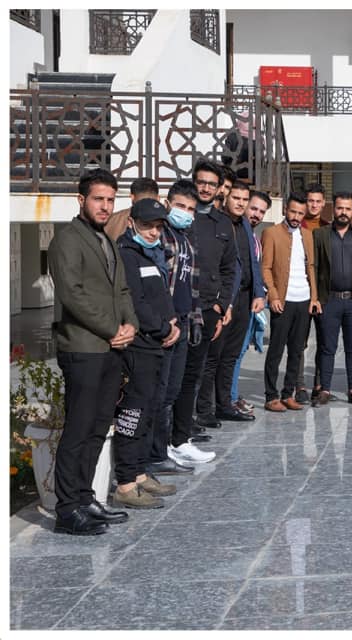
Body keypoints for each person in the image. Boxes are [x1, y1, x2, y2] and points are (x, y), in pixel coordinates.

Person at [48, 169, 138, 535]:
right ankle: (67, 509)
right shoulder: (67, 240)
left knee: (99, 426)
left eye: (110, 200)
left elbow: (122, 291)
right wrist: (111, 329)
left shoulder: (106, 240)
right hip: (84, 347)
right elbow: (72, 294)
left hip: (111, 348)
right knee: (79, 428)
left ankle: (85, 498)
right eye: (98, 199)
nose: (105, 206)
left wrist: (130, 325)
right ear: (81, 199)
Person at [112, 198, 180, 509]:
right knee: (133, 414)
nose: (153, 232)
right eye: (146, 226)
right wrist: (163, 328)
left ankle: (139, 473)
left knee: (150, 410)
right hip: (140, 345)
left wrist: (172, 322)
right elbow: (135, 302)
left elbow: (158, 295)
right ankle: (125, 484)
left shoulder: (149, 253)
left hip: (157, 344)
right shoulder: (126, 255)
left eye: (158, 226)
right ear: (131, 223)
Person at [168, 159, 236, 466]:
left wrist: (222, 306)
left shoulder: (223, 223)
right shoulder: (181, 219)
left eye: (212, 183)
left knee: (193, 375)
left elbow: (229, 268)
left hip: (207, 310)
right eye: (201, 182)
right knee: (173, 378)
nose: (206, 188)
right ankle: (169, 438)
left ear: (220, 188)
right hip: (176, 309)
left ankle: (182, 436)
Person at [145, 180, 204, 476]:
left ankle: (164, 446)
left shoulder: (187, 241)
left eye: (191, 209)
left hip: (183, 322)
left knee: (172, 392)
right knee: (160, 393)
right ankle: (154, 453)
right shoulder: (160, 237)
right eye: (180, 206)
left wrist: (195, 319)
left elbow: (191, 284)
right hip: (164, 325)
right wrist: (163, 321)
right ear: (167, 204)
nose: (185, 213)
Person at [197, 181, 264, 423]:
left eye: (245, 199)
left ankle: (225, 404)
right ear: (226, 196)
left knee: (231, 355)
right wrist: (225, 302)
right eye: (236, 198)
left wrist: (258, 292)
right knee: (213, 357)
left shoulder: (244, 224)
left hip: (245, 297)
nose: (240, 203)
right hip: (225, 299)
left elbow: (252, 262)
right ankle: (204, 410)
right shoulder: (218, 223)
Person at [312, 192, 352, 405]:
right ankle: (325, 389)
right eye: (340, 208)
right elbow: (314, 267)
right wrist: (315, 297)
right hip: (328, 300)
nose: (343, 212)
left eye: (347, 209)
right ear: (333, 209)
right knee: (327, 347)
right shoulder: (320, 234)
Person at [261, 192, 320, 411]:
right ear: (286, 209)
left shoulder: (307, 235)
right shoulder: (271, 233)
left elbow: (311, 268)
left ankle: (288, 393)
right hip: (283, 301)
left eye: (300, 213)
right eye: (293, 211)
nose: (296, 217)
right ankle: (271, 395)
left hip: (303, 300)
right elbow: (265, 267)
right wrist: (273, 295)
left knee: (297, 350)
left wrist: (314, 298)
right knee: (276, 350)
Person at [229, 189, 270, 415]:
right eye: (253, 208)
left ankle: (232, 395)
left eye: (261, 212)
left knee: (240, 350)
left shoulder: (253, 236)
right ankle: (229, 397)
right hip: (234, 301)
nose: (256, 214)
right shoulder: (235, 231)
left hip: (249, 301)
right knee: (233, 353)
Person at [298, 182, 329, 404]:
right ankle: (299, 384)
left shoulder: (328, 227)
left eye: (318, 201)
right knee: (299, 341)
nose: (314, 205)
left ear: (324, 203)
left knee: (324, 340)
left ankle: (319, 384)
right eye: (310, 201)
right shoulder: (296, 225)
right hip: (300, 290)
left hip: (324, 292)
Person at [104, 177, 159, 241]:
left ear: (132, 197)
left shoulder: (110, 220)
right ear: (158, 198)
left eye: (159, 227)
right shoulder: (164, 222)